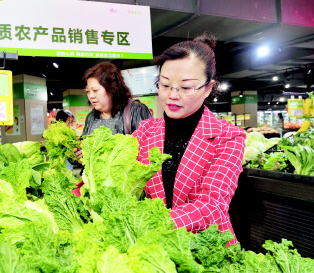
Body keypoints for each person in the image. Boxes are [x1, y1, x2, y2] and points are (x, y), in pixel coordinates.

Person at [131, 33, 245, 245]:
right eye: (164, 85)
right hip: (152, 249)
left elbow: (212, 206)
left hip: (206, 248)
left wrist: (154, 225)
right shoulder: (145, 131)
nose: (172, 95)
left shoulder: (228, 136)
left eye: (185, 87)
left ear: (208, 88)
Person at [74, 61, 152, 160]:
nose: (91, 96)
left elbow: (148, 151)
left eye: (95, 90)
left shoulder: (135, 110)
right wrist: (79, 155)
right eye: (88, 91)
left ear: (112, 89)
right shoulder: (91, 117)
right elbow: (83, 150)